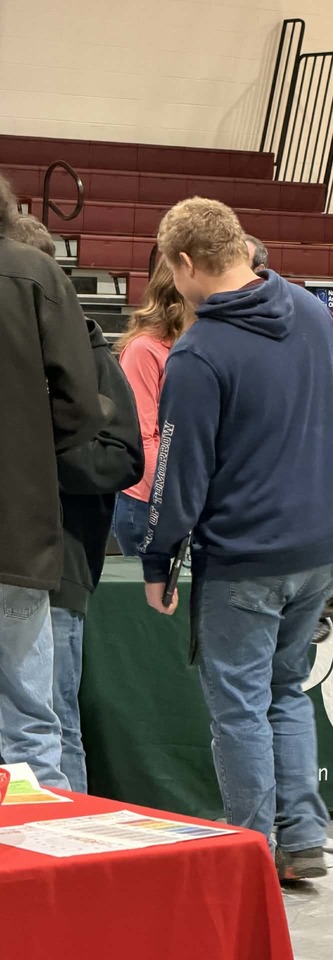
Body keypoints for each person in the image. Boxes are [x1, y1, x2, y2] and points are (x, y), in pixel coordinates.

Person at [140, 197, 333, 883]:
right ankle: (303, 838)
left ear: (186, 263)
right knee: (286, 692)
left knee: (238, 709)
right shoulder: (318, 317)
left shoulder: (199, 354)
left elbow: (177, 473)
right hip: (321, 542)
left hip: (246, 555)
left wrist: (159, 559)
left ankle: (248, 852)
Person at [10, 214, 144, 793]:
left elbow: (121, 458)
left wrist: (33, 458)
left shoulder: (91, 354)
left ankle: (69, 845)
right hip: (22, 552)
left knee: (51, 722)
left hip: (58, 564)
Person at [0, 175, 103, 788]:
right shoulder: (35, 275)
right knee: (32, 725)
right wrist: (36, 448)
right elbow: (84, 406)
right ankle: (50, 869)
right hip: (19, 526)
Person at [113, 257, 193, 555]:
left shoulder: (197, 344)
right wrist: (171, 499)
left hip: (186, 499)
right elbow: (143, 437)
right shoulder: (143, 349)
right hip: (148, 503)